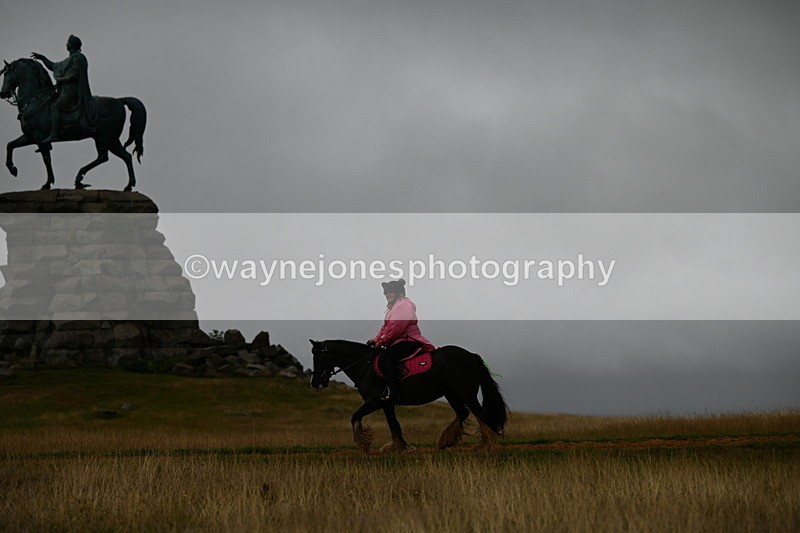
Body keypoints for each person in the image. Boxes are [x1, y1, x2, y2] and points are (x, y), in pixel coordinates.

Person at [368, 279, 434, 401]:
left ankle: (394, 392)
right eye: (386, 293)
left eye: (390, 292)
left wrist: (381, 341)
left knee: (386, 358)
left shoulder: (403, 305)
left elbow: (397, 327)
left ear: (399, 293)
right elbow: (386, 327)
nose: (387, 295)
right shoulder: (392, 309)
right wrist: (375, 339)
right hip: (398, 341)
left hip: (408, 340)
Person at [31, 34, 99, 143]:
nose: (66, 44)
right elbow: (54, 66)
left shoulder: (78, 58)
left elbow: (75, 75)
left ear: (71, 45)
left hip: (73, 91)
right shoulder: (68, 60)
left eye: (68, 42)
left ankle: (53, 134)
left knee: (56, 106)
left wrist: (61, 80)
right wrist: (42, 58)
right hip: (65, 90)